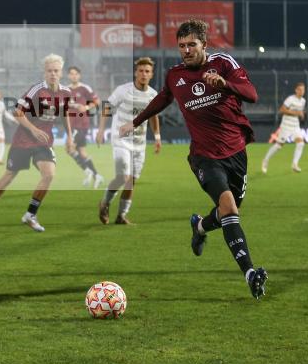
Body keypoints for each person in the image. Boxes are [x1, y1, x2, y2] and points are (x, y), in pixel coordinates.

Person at [119, 19, 268, 299]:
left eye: (192, 45)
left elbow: (252, 94)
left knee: (227, 212)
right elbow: (162, 99)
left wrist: (225, 84)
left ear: (204, 45)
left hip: (236, 152)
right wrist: (136, 122)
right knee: (229, 207)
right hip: (204, 156)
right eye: (181, 46)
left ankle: (199, 226)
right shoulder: (175, 75)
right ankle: (250, 273)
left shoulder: (223, 63)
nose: (186, 50)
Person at [0, 54, 74, 233]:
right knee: (9, 176)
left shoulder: (65, 92)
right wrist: (33, 129)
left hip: (43, 142)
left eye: (56, 71)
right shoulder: (36, 90)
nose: (53, 74)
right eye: (49, 71)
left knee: (49, 174)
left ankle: (30, 215)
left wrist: (70, 137)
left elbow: (65, 114)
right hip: (23, 140)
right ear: (45, 72)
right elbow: (18, 113)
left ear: (61, 72)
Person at [96, 57, 161, 225]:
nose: (143, 74)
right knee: (123, 176)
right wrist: (101, 129)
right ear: (135, 72)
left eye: (147, 71)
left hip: (139, 143)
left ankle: (121, 216)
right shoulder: (123, 90)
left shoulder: (153, 95)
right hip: (120, 139)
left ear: (151, 74)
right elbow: (106, 106)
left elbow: (153, 116)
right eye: (140, 71)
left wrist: (157, 137)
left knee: (131, 180)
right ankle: (105, 203)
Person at [66, 66, 105, 188]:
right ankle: (97, 175)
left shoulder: (84, 88)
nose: (74, 76)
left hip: (81, 124)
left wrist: (87, 107)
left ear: (79, 75)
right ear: (68, 76)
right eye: (71, 74)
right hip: (72, 125)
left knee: (69, 148)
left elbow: (97, 101)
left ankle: (87, 172)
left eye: (76, 74)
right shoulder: (65, 90)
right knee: (82, 152)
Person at [261, 82, 307, 173]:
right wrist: (296, 113)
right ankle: (265, 160)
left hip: (295, 126)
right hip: (286, 125)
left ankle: (294, 164)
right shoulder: (290, 99)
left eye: (303, 90)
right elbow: (282, 110)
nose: (302, 91)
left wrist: (301, 115)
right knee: (279, 145)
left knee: (301, 143)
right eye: (300, 89)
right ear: (296, 90)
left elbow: (300, 112)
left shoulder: (303, 101)